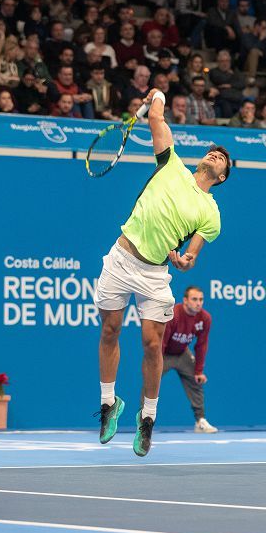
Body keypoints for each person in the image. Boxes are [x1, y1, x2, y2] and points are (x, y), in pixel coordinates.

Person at [94, 87, 230, 457]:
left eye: (222, 160)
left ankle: (147, 419)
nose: (215, 156)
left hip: (155, 274)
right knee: (109, 330)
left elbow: (192, 255)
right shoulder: (171, 163)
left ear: (221, 178)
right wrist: (157, 94)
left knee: (153, 344)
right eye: (213, 152)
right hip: (121, 259)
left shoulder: (211, 213)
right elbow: (157, 116)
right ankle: (109, 406)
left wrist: (185, 262)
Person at [162, 285, 219, 434]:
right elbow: (161, 341)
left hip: (182, 353)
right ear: (185, 301)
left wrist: (199, 371)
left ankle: (200, 421)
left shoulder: (205, 318)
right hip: (163, 354)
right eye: (194, 299)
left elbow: (201, 345)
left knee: (196, 381)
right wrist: (155, 362)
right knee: (151, 382)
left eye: (201, 299)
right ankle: (144, 421)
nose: (198, 303)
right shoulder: (173, 314)